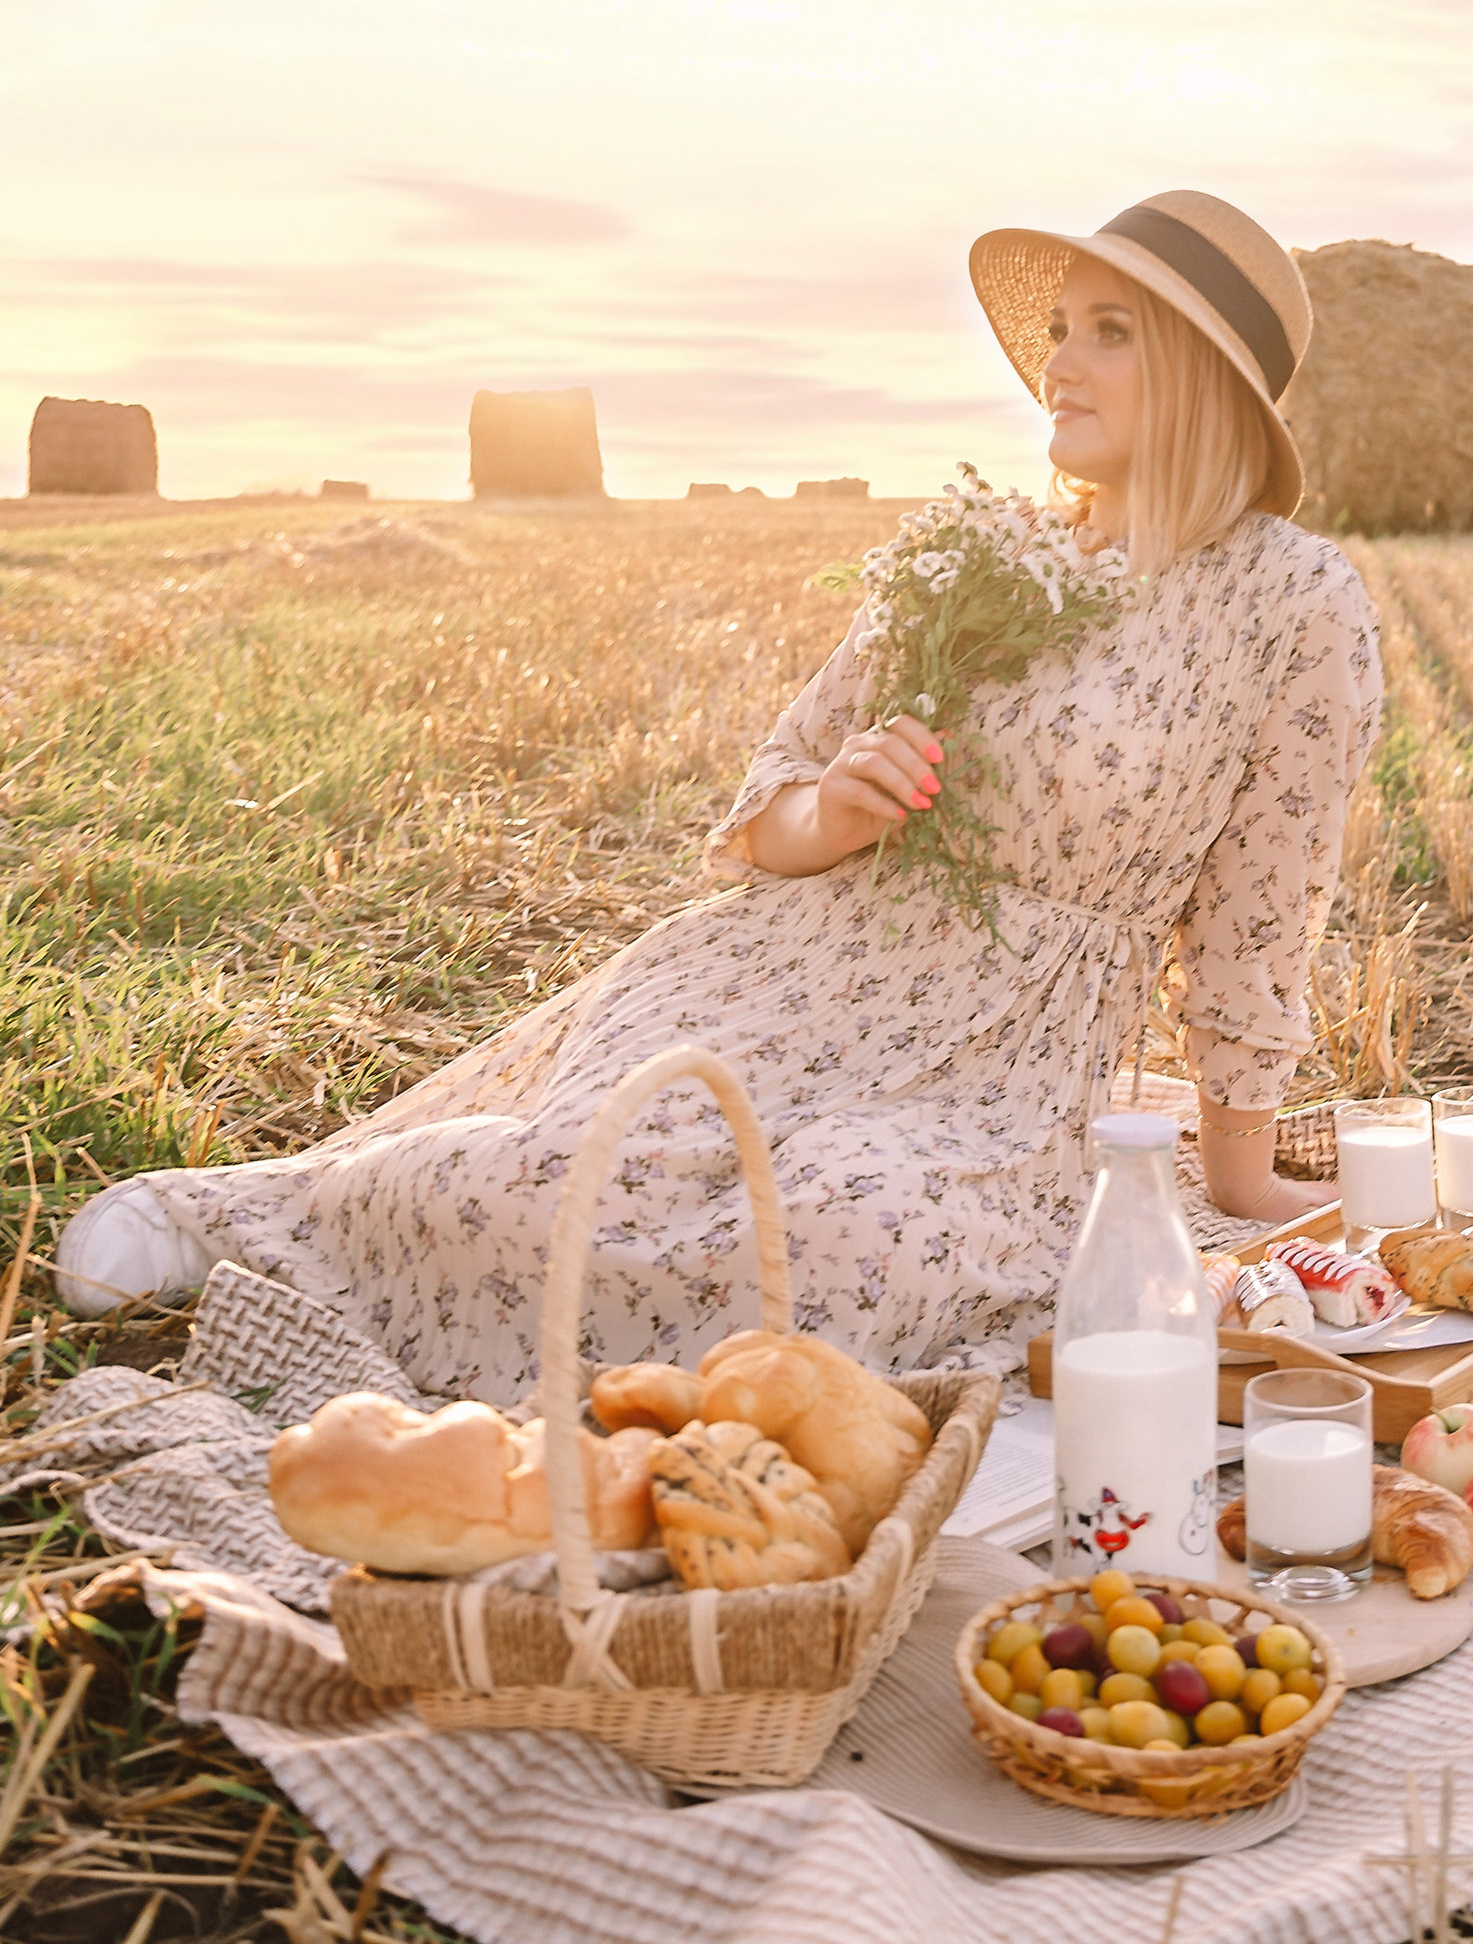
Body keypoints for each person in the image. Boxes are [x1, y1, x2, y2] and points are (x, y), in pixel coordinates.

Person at [52, 191, 1383, 1398]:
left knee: (854, 1239)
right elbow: (778, 800)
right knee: (587, 1165)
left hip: (1004, 1063)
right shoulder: (984, 551)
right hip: (790, 970)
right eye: (1061, 328)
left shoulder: (1293, 599)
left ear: (1205, 379)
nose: (1058, 362)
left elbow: (1265, 908)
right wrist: (843, 812)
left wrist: (1235, 1171)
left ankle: (595, 1377)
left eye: (1110, 334)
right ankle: (247, 1219)